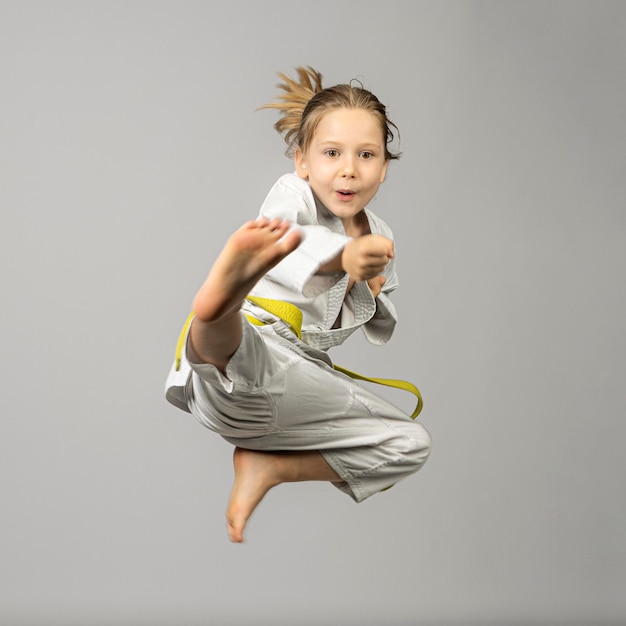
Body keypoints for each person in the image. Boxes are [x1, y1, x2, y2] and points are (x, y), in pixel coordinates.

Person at [165, 66, 431, 543]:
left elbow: (378, 325)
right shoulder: (294, 196)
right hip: (245, 359)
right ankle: (220, 303)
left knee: (409, 444)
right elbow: (290, 241)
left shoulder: (382, 235)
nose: (349, 168)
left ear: (384, 167)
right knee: (241, 343)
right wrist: (342, 258)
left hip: (289, 391)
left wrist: (369, 286)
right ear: (302, 161)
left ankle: (270, 467)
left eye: (365, 155)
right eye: (332, 153)